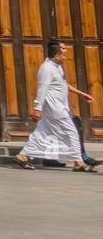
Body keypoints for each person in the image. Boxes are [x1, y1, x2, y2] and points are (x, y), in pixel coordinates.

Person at [14, 41, 96, 171]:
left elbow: (63, 84)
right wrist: (37, 108)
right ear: (56, 56)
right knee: (72, 132)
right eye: (63, 54)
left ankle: (22, 155)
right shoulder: (46, 68)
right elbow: (42, 89)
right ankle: (79, 163)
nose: (65, 56)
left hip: (59, 107)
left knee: (42, 133)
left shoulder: (56, 67)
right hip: (55, 108)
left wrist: (82, 94)